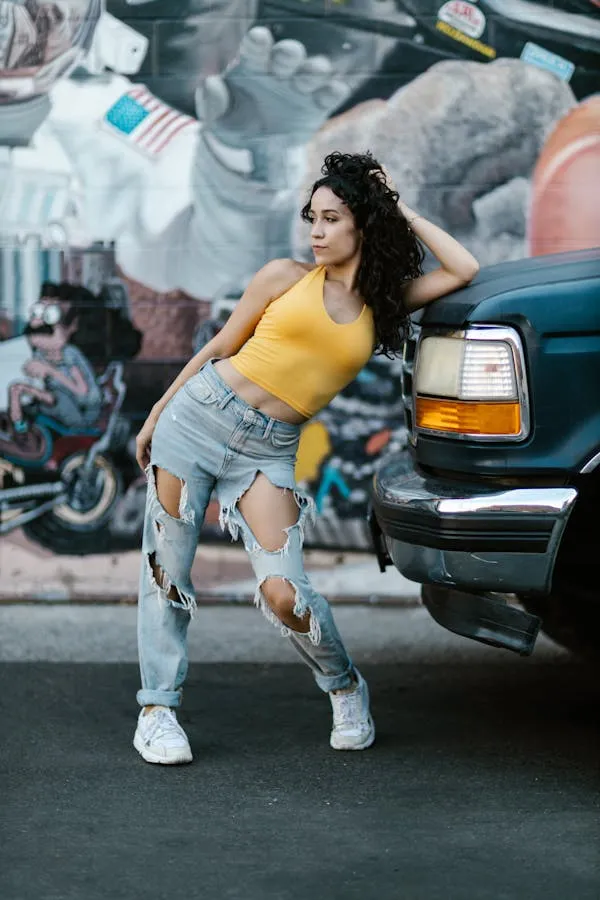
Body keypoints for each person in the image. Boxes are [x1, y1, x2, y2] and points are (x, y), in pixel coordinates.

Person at [132, 151, 480, 765]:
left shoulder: (384, 306)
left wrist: (400, 208)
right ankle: (157, 710)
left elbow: (464, 267)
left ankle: (345, 686)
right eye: (311, 218)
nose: (316, 232)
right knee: (167, 573)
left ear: (362, 225)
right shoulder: (282, 276)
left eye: (332, 219)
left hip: (267, 451)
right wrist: (158, 412)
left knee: (283, 592)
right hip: (197, 418)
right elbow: (220, 345)